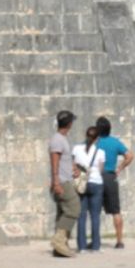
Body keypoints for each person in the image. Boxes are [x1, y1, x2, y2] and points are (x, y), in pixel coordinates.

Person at [93, 116, 134, 249]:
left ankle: (95, 241)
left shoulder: (94, 142)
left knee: (95, 211)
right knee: (116, 210)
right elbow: (129, 156)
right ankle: (119, 241)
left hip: (96, 177)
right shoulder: (115, 142)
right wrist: (119, 168)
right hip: (110, 176)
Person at [48, 109, 80, 258]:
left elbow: (65, 160)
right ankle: (59, 241)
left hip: (65, 179)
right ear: (69, 123)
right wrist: (56, 182)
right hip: (62, 181)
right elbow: (54, 161)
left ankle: (60, 247)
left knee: (63, 213)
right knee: (74, 208)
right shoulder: (57, 139)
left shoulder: (62, 138)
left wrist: (74, 168)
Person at [71, 125, 106, 252]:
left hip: (81, 183)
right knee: (95, 216)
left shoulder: (76, 149)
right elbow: (101, 170)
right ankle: (96, 246)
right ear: (97, 139)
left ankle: (82, 247)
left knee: (81, 216)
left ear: (86, 136)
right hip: (96, 183)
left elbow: (73, 166)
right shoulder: (101, 152)